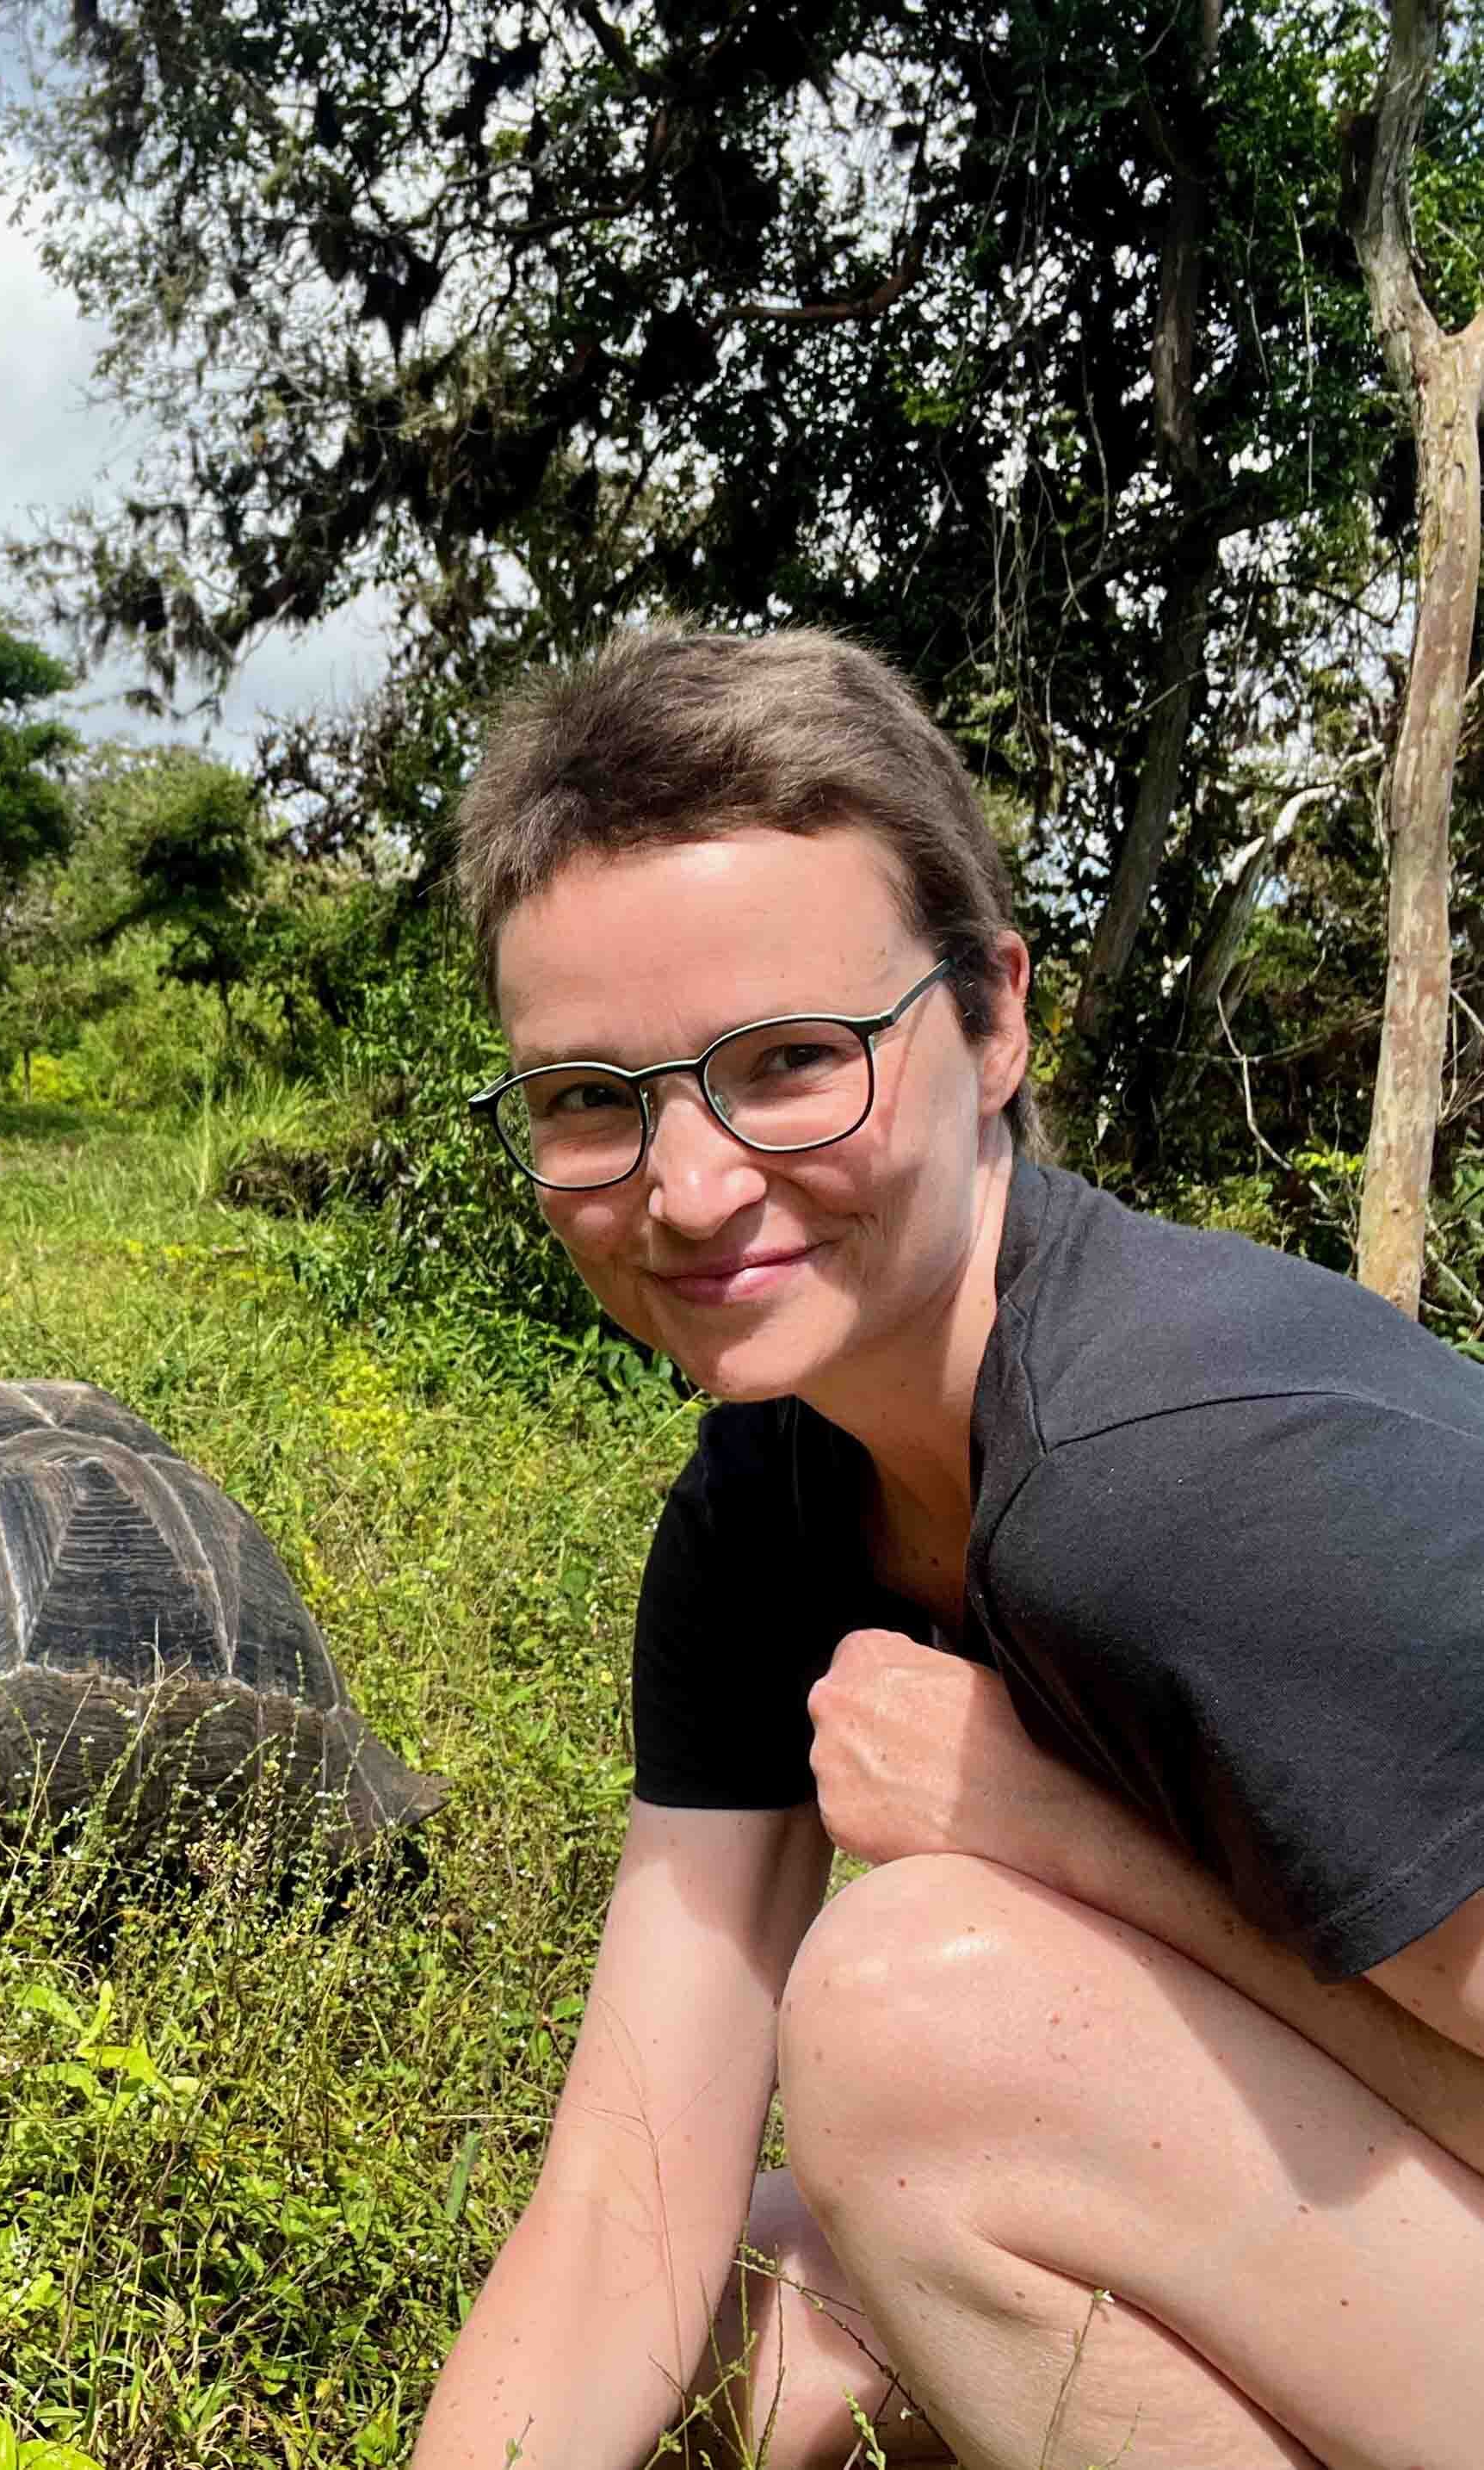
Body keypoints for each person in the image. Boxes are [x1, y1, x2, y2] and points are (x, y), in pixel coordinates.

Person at [407, 628, 1484, 2470]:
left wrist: (1040, 1831)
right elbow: (622, 2204)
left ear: (991, 1022)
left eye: (786, 1060)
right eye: (589, 1095)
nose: (685, 1187)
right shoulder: (764, 1506)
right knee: (762, 2326)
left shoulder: (1180, 1480)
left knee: (915, 2027)